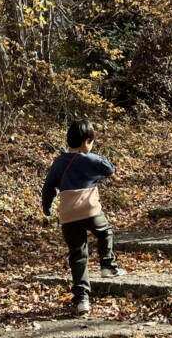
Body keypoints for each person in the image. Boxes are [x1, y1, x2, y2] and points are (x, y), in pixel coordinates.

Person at [41, 121, 126, 315]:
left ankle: (82, 299)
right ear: (87, 141)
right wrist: (90, 156)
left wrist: (47, 208)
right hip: (90, 211)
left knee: (78, 255)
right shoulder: (88, 160)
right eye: (91, 142)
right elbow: (109, 169)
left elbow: (48, 188)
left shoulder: (58, 162)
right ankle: (107, 265)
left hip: (68, 215)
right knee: (105, 232)